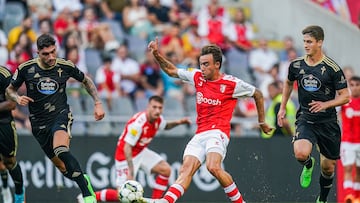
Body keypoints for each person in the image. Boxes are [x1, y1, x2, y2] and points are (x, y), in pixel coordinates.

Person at [143, 37, 273, 203]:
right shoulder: (197, 76)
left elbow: (258, 94)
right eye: (200, 63)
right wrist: (156, 54)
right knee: (185, 170)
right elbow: (171, 70)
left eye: (205, 64)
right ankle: (166, 201)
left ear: (217, 64)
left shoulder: (232, 83)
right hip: (200, 134)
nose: (201, 68)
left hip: (218, 132)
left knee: (213, 166)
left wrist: (262, 122)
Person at [5, 33, 106, 203]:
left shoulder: (64, 65)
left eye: (53, 52)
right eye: (46, 54)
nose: (51, 57)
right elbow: (9, 90)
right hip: (38, 123)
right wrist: (17, 98)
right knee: (62, 167)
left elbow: (86, 80)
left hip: (61, 115)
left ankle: (87, 194)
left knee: (60, 148)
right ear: (37, 52)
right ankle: (83, 178)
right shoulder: (25, 68)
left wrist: (97, 103)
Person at [277, 25, 350, 203]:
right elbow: (287, 83)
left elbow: (346, 96)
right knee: (300, 153)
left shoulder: (332, 68)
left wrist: (326, 104)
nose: (306, 45)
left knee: (328, 169)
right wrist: (283, 106)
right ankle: (309, 164)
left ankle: (322, 200)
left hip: (328, 122)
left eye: (309, 42)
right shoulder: (296, 65)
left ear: (319, 42)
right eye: (304, 42)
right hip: (306, 119)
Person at [77, 95, 191, 202]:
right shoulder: (138, 124)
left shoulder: (158, 119)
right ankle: (90, 197)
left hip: (140, 151)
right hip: (125, 155)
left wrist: (179, 122)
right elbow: (127, 147)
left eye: (160, 108)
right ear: (148, 107)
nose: (157, 110)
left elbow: (165, 126)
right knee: (123, 194)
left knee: (165, 170)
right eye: (154, 107)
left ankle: (156, 201)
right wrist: (131, 172)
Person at [0, 65, 25, 203]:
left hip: (3, 124)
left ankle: (19, 195)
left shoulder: (4, 75)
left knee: (9, 162)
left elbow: (12, 103)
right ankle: (4, 188)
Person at [341, 76, 360, 203]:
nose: (354, 87)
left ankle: (357, 197)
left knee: (359, 171)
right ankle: (349, 196)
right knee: (347, 168)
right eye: (351, 85)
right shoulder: (344, 101)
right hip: (347, 141)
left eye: (357, 85)